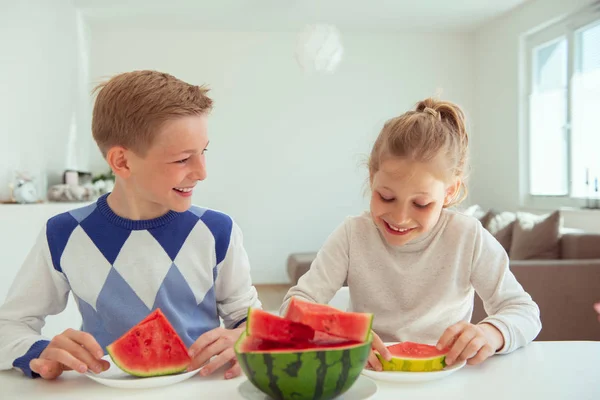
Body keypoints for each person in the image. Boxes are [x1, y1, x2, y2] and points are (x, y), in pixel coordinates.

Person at [0, 70, 261, 380]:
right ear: (122, 162)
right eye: (182, 159)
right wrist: (38, 350)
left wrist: (247, 337)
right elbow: (11, 325)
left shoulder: (217, 231)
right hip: (105, 390)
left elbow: (248, 320)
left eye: (203, 152)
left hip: (203, 387)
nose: (202, 172)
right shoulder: (64, 233)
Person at [280, 98, 541, 370]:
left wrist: (491, 333)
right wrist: (337, 332)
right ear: (372, 177)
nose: (400, 218)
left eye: (421, 204)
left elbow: (524, 312)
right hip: (370, 375)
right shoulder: (352, 234)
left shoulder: (468, 236)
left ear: (450, 191)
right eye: (386, 197)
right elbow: (294, 306)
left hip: (446, 379)